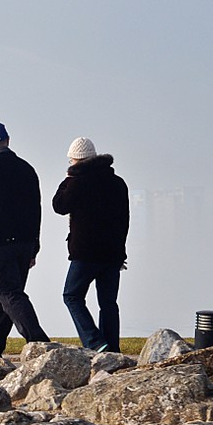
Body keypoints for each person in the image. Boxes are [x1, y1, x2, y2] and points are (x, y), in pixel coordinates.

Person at [0, 121, 50, 363]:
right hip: (24, 244)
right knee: (3, 300)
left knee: (9, 293)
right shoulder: (27, 169)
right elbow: (37, 210)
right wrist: (34, 245)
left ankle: (40, 343)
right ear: (8, 140)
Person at [52, 137, 129, 353]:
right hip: (113, 253)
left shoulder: (77, 182)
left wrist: (68, 179)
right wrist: (121, 252)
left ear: (76, 161)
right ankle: (112, 348)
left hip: (85, 253)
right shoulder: (118, 183)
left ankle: (94, 342)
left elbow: (59, 206)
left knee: (72, 295)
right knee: (108, 303)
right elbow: (125, 219)